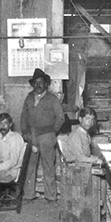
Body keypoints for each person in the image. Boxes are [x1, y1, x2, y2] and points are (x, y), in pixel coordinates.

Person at [20, 68, 65, 202]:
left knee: (48, 166)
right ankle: (29, 194)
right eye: (35, 82)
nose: (38, 85)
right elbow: (23, 116)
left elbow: (60, 118)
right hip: (31, 135)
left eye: (41, 82)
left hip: (46, 135)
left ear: (46, 84)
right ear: (32, 84)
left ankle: (50, 196)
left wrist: (52, 132)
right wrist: (24, 132)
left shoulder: (52, 99)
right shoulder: (29, 98)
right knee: (30, 166)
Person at [0, 113, 25, 183]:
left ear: (10, 124)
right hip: (0, 169)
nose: (2, 126)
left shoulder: (15, 138)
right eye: (0, 123)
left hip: (10, 172)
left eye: (5, 123)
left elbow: (12, 162)